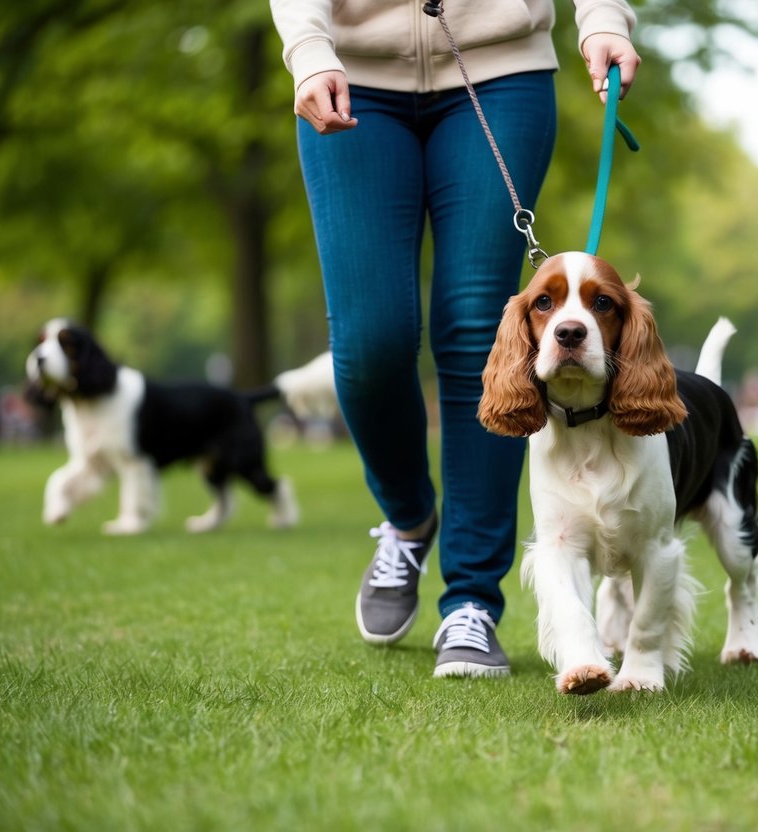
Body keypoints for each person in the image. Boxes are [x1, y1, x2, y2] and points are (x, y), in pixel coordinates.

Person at [269, 0, 641, 678]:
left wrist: (603, 17)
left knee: (480, 335)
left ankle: (470, 602)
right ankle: (408, 518)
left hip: (499, 69)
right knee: (371, 337)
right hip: (348, 69)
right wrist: (307, 49)